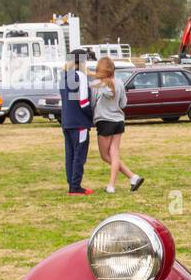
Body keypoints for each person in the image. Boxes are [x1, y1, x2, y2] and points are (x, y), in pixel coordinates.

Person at [91, 56, 144, 194]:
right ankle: (132, 177)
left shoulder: (98, 84)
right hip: (118, 121)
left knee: (105, 156)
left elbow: (92, 102)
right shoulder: (120, 83)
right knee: (114, 154)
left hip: (104, 121)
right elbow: (123, 104)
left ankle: (112, 185)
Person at [59, 49, 94, 194]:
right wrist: (91, 117)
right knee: (79, 155)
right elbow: (84, 102)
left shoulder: (64, 76)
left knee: (70, 155)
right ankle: (75, 186)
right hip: (79, 121)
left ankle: (71, 184)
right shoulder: (80, 76)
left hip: (66, 120)